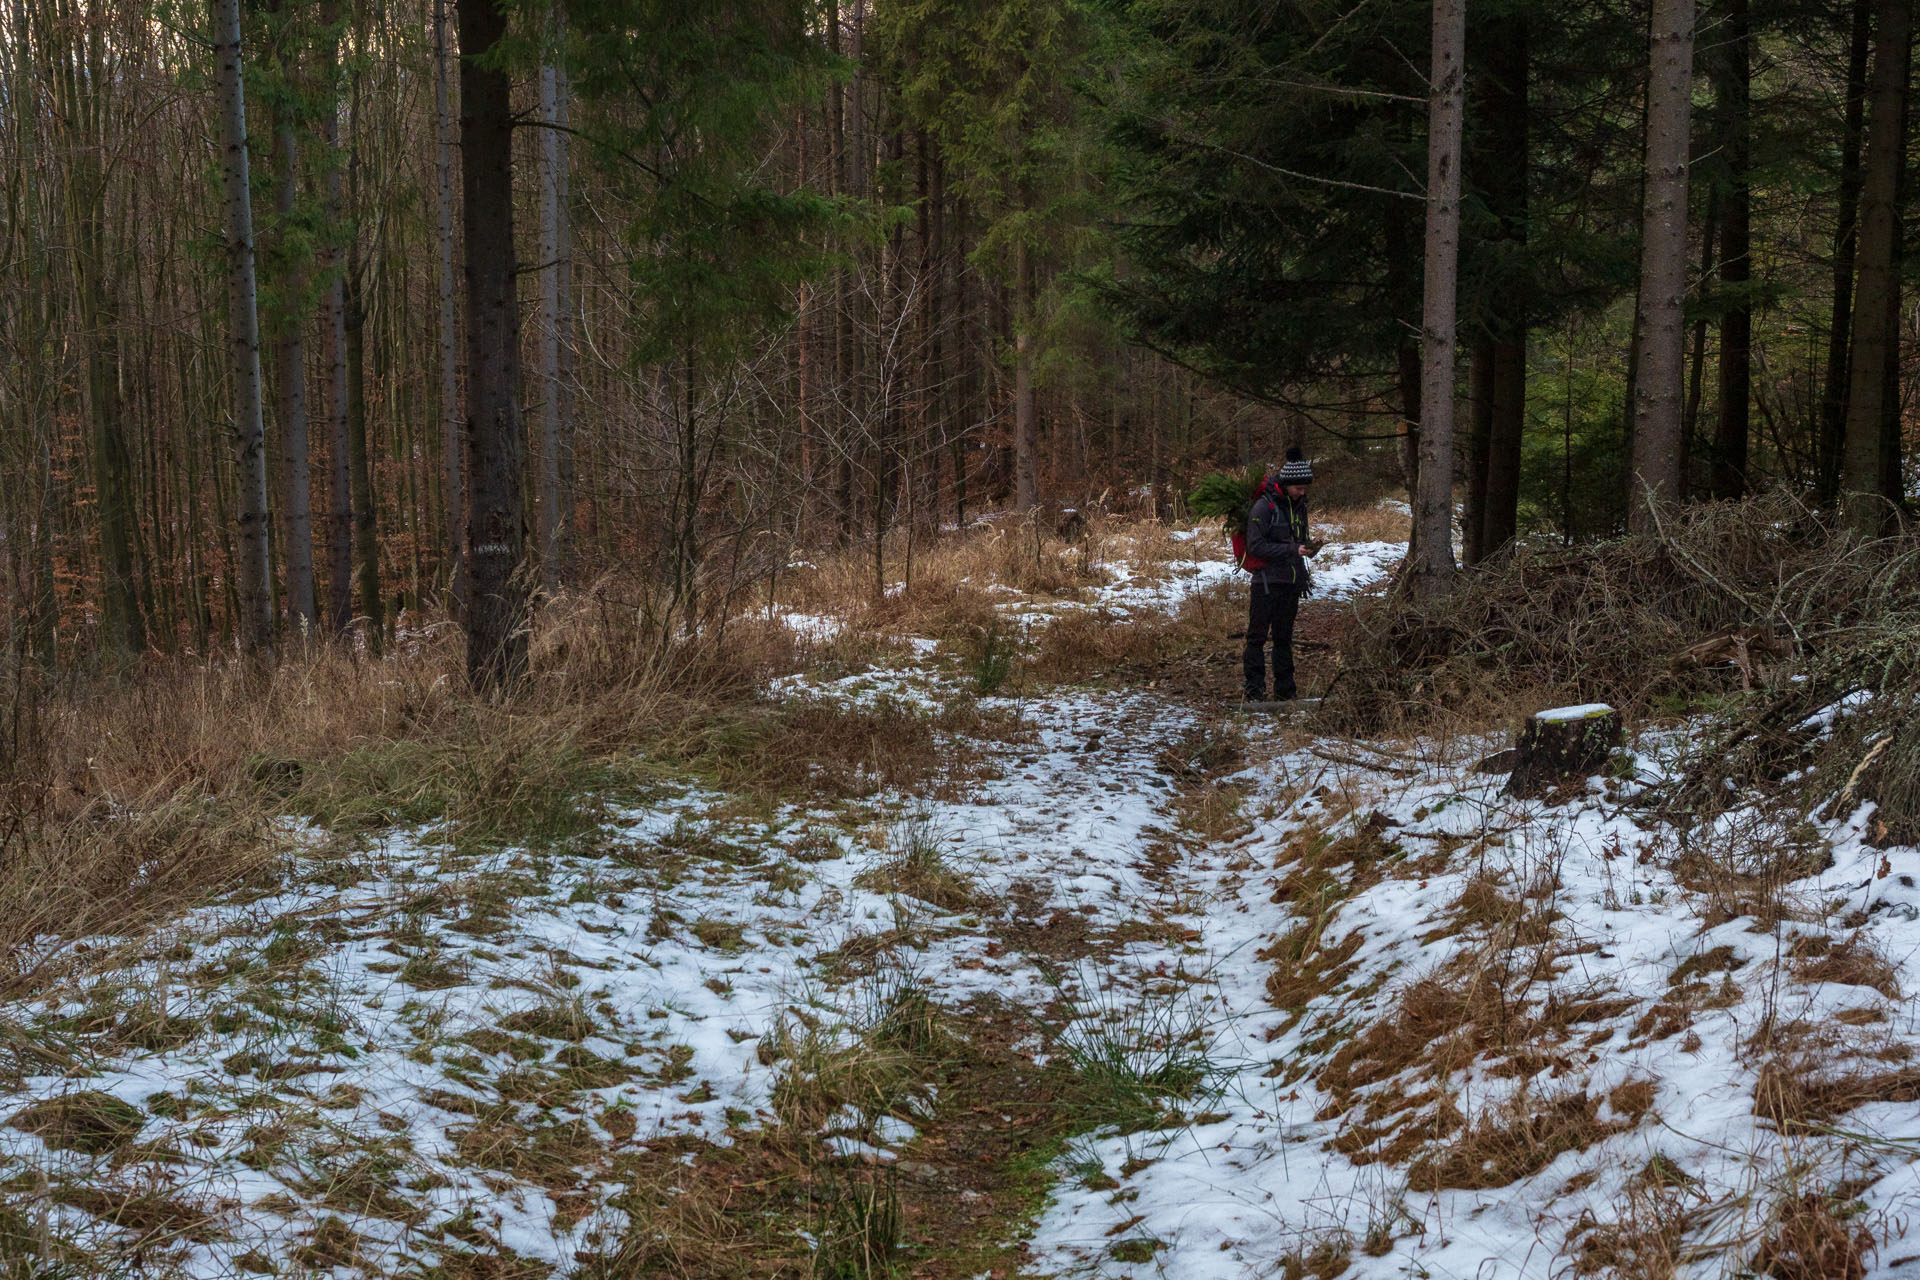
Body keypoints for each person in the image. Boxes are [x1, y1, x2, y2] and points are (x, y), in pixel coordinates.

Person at [1243, 448, 1319, 702]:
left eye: (1304, 488)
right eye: (1298, 488)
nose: (1302, 492)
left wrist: (1308, 548)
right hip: (1265, 582)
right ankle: (1254, 692)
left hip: (1292, 581)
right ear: (1286, 485)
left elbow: (1295, 541)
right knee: (1257, 637)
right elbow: (1255, 546)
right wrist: (1292, 548)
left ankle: (1286, 692)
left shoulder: (1300, 508)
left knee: (1284, 638)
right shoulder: (1263, 508)